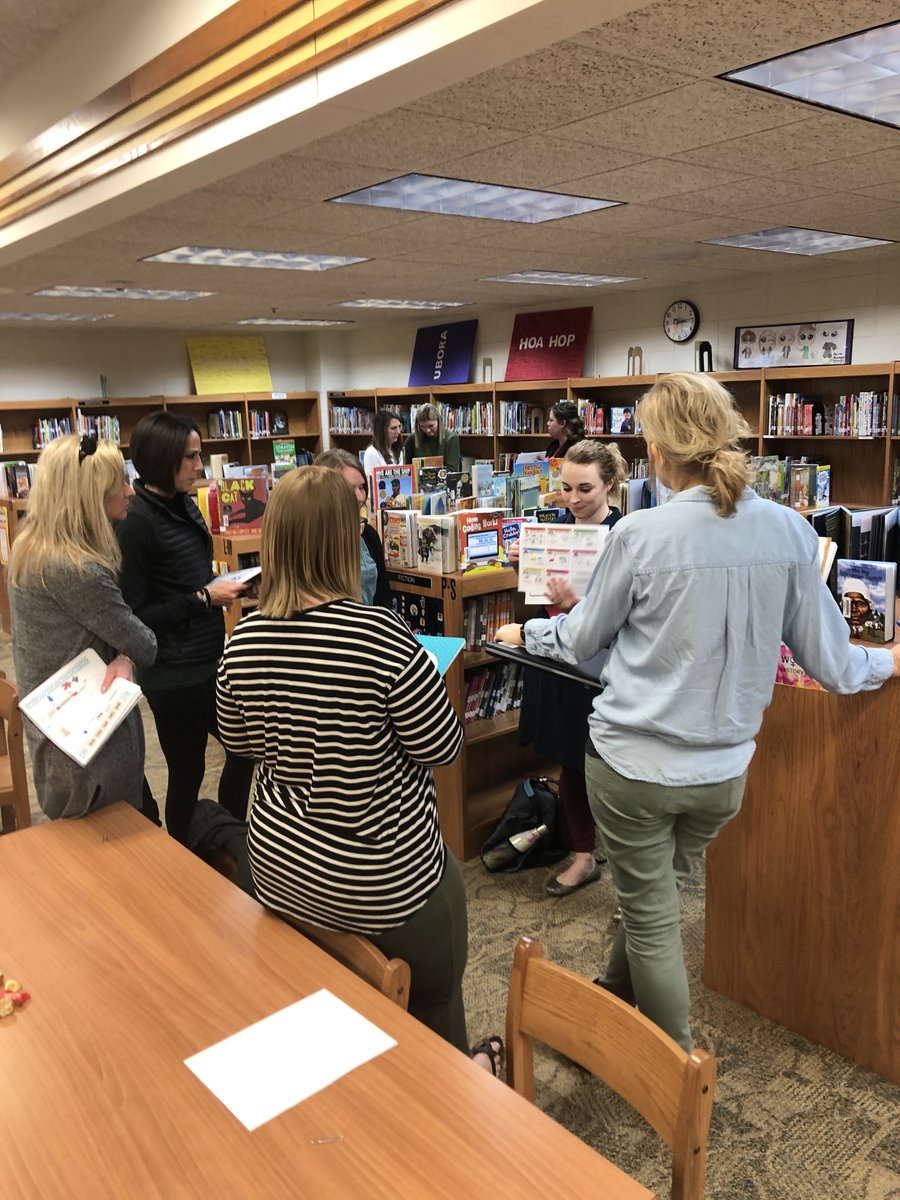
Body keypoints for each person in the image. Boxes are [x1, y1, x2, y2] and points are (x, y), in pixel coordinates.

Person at [496, 372, 900, 1052]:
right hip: (722, 778)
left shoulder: (643, 535)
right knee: (650, 896)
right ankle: (610, 1004)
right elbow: (832, 662)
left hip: (632, 768)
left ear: (657, 452)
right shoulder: (788, 530)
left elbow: (582, 638)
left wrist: (525, 634)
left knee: (652, 915)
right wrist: (888, 660)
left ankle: (677, 1077)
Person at [216, 466, 487, 1060]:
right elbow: (442, 747)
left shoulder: (242, 637)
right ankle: (455, 1090)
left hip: (284, 868)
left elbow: (240, 745)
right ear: (345, 539)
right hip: (380, 878)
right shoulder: (380, 634)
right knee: (439, 996)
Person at [116, 411, 255, 844]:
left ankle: (230, 838)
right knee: (187, 769)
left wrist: (225, 588)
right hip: (173, 675)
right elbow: (134, 614)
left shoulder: (182, 504)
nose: (201, 466)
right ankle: (183, 858)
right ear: (162, 459)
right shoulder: (136, 523)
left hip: (206, 661)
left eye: (200, 454)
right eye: (191, 457)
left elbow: (185, 579)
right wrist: (203, 599)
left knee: (243, 751)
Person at [9, 434, 157, 820]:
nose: (131, 492)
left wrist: (121, 651)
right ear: (89, 496)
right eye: (119, 484)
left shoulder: (31, 551)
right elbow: (145, 644)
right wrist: (127, 653)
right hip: (92, 762)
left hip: (57, 746)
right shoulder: (77, 571)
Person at [514, 439, 628, 896]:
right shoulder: (556, 530)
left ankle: (626, 871)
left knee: (609, 770)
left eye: (585, 488)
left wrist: (578, 605)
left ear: (611, 485)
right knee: (569, 761)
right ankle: (583, 855)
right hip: (558, 662)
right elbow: (543, 606)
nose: (574, 499)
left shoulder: (626, 536)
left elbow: (624, 618)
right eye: (565, 488)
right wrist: (533, 577)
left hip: (603, 670)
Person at [315, 448, 391, 608]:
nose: (360, 497)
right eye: (350, 489)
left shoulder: (368, 535)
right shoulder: (313, 540)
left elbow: (384, 599)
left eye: (362, 487)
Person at [403, 403, 461, 471]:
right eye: (422, 426)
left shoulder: (451, 439)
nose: (427, 430)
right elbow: (406, 468)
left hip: (443, 480)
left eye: (431, 426)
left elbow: (451, 469)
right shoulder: (411, 440)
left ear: (438, 421)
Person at [363, 408, 404, 477]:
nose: (398, 432)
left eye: (399, 427)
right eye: (393, 428)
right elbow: (372, 483)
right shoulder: (371, 453)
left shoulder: (398, 451)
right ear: (382, 430)